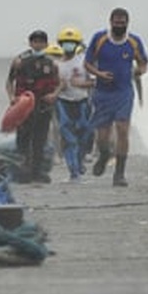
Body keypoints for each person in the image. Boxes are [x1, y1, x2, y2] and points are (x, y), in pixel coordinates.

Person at [83, 7, 148, 186]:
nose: (119, 25)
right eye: (116, 22)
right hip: (103, 93)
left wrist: (138, 71)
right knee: (102, 135)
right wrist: (99, 74)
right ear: (110, 22)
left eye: (123, 22)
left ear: (127, 23)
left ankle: (119, 174)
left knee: (122, 129)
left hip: (124, 92)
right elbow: (87, 63)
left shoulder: (134, 41)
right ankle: (104, 154)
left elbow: (143, 64)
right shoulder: (100, 38)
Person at [6, 29, 62, 183]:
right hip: (24, 104)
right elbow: (9, 82)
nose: (38, 45)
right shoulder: (19, 61)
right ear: (30, 43)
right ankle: (23, 173)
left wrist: (54, 95)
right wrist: (12, 98)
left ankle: (36, 173)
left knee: (40, 140)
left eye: (41, 42)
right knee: (23, 139)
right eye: (35, 41)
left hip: (43, 104)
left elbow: (60, 83)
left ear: (46, 44)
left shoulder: (51, 63)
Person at [53, 26, 94, 182]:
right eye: (65, 42)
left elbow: (96, 81)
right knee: (68, 137)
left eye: (71, 42)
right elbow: (52, 84)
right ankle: (73, 171)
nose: (68, 46)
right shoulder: (56, 65)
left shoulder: (84, 61)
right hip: (63, 103)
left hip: (82, 102)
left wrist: (82, 84)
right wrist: (58, 88)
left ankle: (80, 160)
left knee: (85, 134)